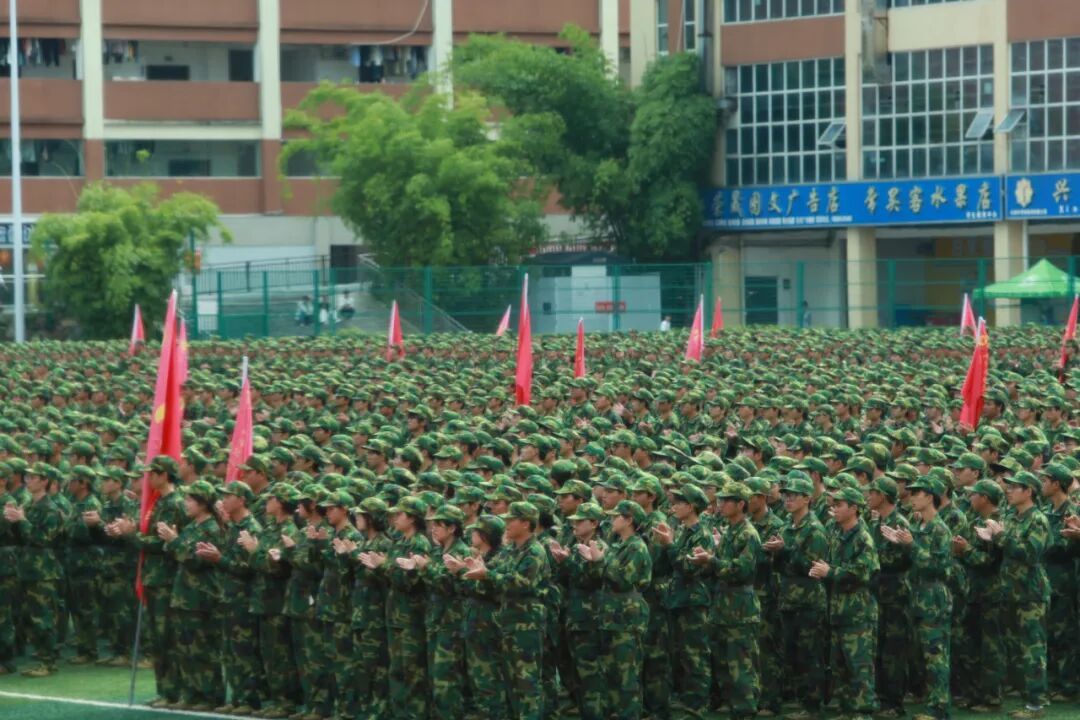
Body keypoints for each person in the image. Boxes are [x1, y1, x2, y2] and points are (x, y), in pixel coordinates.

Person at [462, 501, 548, 720]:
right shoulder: (511, 550)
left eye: (512, 520)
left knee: (527, 682)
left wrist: (486, 575)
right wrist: (473, 569)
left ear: (526, 524)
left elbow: (520, 584)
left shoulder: (534, 551)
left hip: (526, 623)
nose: (507, 524)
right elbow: (494, 571)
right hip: (507, 621)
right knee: (510, 681)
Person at [977, 471, 1050, 720]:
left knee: (1032, 650)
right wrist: (991, 539)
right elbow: (1006, 549)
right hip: (1010, 592)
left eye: (1015, 487)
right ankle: (1026, 700)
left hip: (1030, 594)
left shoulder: (1037, 519)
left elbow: (1030, 553)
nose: (1008, 491)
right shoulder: (1011, 517)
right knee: (1016, 651)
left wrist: (1000, 536)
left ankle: (1036, 704)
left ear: (1028, 491)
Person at [810, 486, 879, 720]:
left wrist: (830, 572)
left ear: (854, 508)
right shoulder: (837, 534)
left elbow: (862, 573)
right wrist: (823, 571)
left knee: (859, 666)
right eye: (834, 504)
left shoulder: (863, 538)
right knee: (840, 665)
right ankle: (846, 709)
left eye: (839, 505)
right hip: (838, 610)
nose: (834, 509)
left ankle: (862, 712)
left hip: (857, 612)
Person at [159, 479, 225, 712]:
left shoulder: (212, 529)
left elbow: (196, 561)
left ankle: (210, 695)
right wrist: (173, 542)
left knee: (203, 649)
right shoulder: (191, 527)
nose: (185, 503)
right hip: (184, 595)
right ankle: (191, 692)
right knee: (185, 649)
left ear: (203, 503)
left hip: (202, 597)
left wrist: (174, 541)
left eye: (190, 499)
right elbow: (175, 554)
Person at [4, 462, 63, 677]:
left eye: (34, 477)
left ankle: (48, 662)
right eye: (27, 477)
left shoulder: (50, 508)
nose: (28, 481)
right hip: (26, 568)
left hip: (43, 571)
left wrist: (22, 521)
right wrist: (13, 522)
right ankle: (41, 657)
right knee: (29, 617)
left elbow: (43, 539)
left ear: (45, 481)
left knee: (43, 617)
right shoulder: (28, 505)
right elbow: (20, 538)